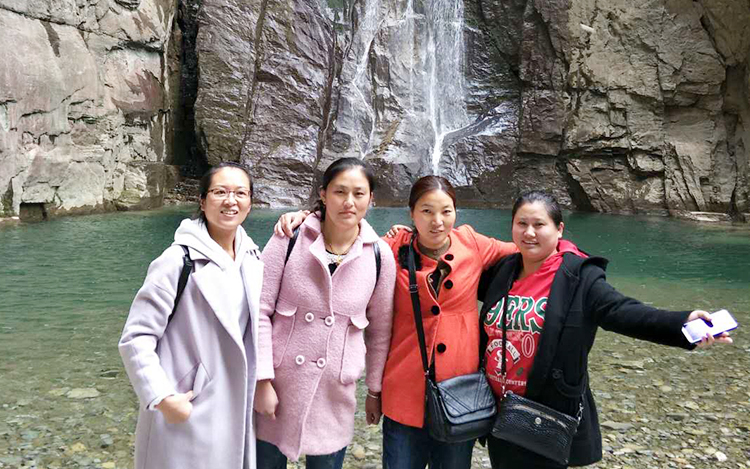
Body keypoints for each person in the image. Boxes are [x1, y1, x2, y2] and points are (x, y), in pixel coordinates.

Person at [275, 175, 518, 469]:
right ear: (411, 214)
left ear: (456, 212)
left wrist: (564, 249)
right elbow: (345, 239)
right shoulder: (390, 247)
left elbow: (528, 248)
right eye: (426, 211)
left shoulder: (472, 243)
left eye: (446, 211)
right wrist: (306, 220)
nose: (437, 221)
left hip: (461, 396)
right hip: (404, 392)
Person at [478, 190, 733, 469]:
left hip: (545, 411)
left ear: (559, 229)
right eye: (522, 224)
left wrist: (682, 323)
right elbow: (458, 287)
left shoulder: (579, 277)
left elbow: (624, 312)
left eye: (539, 224)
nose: (529, 233)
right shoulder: (503, 270)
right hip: (499, 408)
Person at [253, 157, 397, 469]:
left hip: (335, 392)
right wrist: (262, 380)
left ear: (371, 199)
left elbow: (380, 332)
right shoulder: (289, 237)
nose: (349, 202)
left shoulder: (380, 255)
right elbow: (259, 311)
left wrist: (374, 390)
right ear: (323, 194)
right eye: (339, 192)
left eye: (359, 193)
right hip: (278, 386)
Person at [119, 162, 263, 469]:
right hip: (187, 404)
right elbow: (136, 338)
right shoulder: (176, 261)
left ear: (250, 203)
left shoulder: (252, 258)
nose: (230, 201)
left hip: (236, 403)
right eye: (220, 192)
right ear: (202, 200)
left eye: (240, 193)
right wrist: (162, 396)